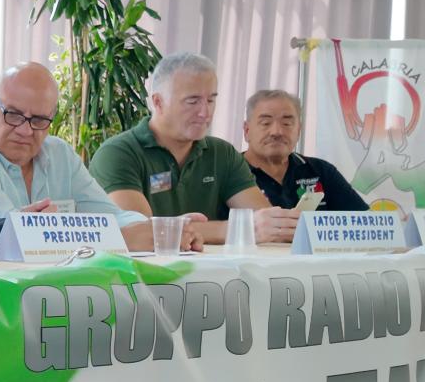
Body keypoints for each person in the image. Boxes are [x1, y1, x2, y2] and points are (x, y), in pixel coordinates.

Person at [88, 51, 299, 245]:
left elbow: (264, 223)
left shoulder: (221, 153)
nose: (205, 112)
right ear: (158, 102)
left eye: (211, 100)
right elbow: (143, 234)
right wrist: (239, 229)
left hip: (214, 271)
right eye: (192, 101)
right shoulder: (118, 154)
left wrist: (275, 225)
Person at [0, 61, 158, 250]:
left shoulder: (59, 153)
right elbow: (10, 235)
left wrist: (156, 230)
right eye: (13, 115)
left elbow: (112, 216)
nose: (25, 131)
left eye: (39, 120)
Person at [240, 89, 369, 211]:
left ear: (298, 131)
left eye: (286, 124)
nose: (277, 132)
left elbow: (363, 221)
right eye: (265, 123)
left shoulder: (321, 171)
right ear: (247, 130)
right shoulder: (233, 174)